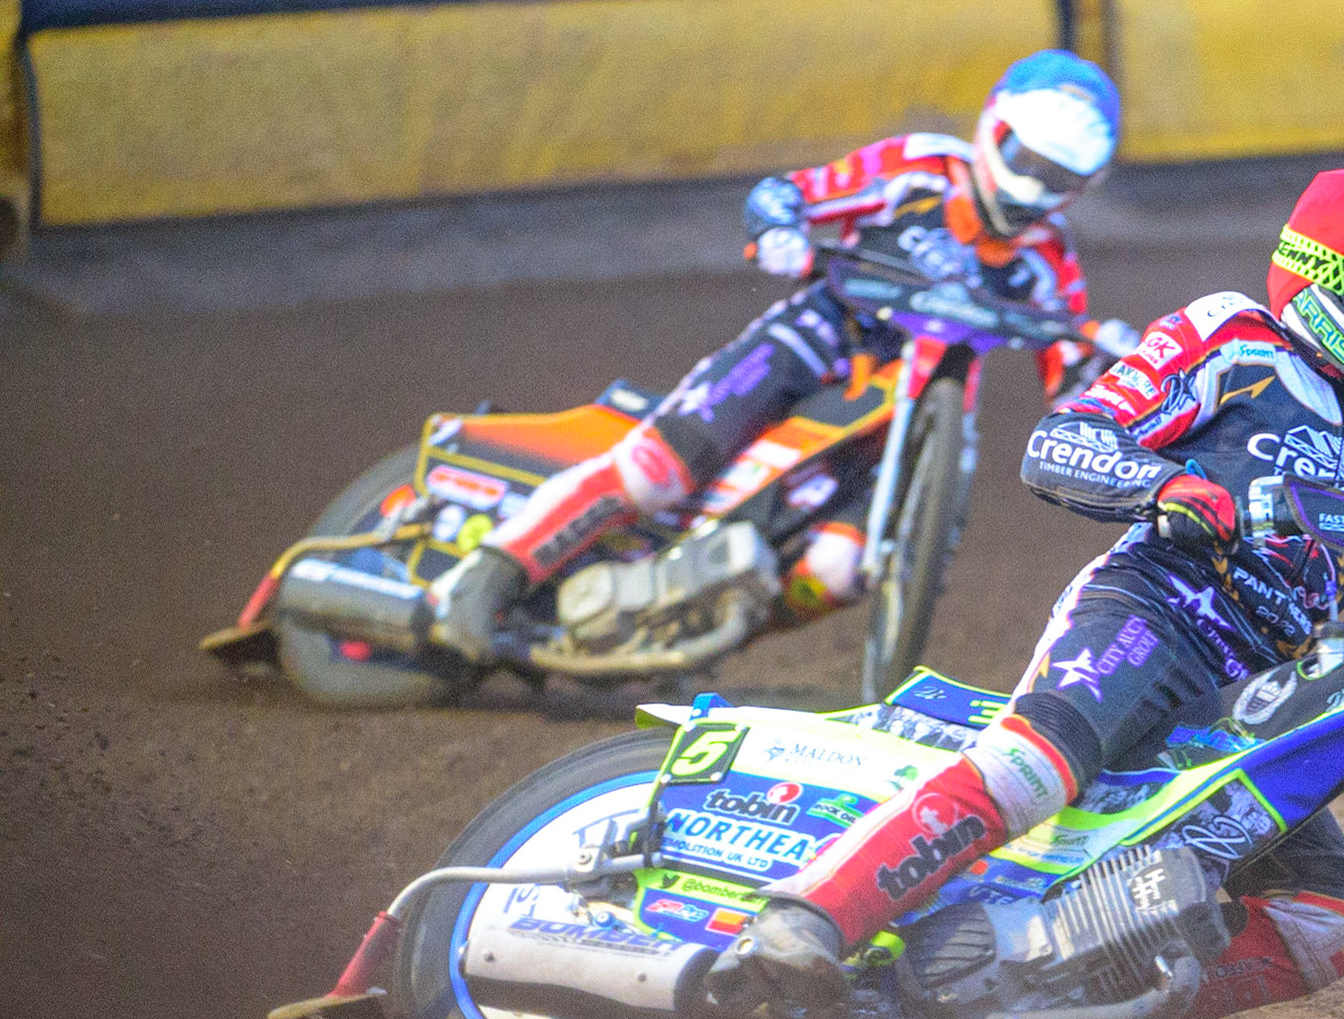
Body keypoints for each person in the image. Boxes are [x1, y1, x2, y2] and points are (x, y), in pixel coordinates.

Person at [706, 165, 1344, 1015]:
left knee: (1334, 922)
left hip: (1263, 696)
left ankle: (1045, 993)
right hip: (1154, 611)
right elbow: (1065, 438)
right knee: (1035, 764)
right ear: (1323, 275)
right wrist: (1164, 483)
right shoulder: (1234, 340)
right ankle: (807, 918)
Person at [427, 49, 1126, 660]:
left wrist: (1104, 366)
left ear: (1084, 186)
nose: (1033, 186)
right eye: (1026, 160)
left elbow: (1069, 380)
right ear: (993, 127)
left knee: (841, 568)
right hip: (819, 336)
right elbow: (793, 193)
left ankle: (696, 633)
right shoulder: (919, 169)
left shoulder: (1050, 259)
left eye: (1057, 177)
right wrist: (782, 226)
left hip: (915, 416)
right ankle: (489, 573)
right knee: (659, 471)